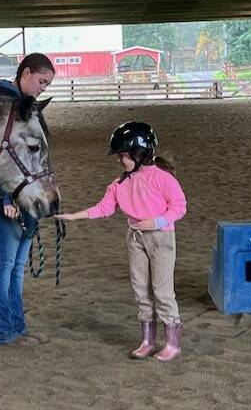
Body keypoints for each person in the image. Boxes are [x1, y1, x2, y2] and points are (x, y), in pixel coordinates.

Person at [55, 122, 187, 361]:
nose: (120, 161)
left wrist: (157, 222)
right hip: (135, 237)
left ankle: (172, 342)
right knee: (140, 289)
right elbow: (104, 207)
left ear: (139, 154)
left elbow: (179, 206)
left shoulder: (162, 178)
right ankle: (147, 340)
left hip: (160, 237)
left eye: (123, 156)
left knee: (162, 290)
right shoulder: (120, 184)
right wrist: (75, 215)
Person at [0, 53, 55, 348]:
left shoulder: (23, 105)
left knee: (16, 266)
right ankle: (0, 332)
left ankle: (16, 326)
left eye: (47, 84)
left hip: (24, 194)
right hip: (0, 197)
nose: (43, 88)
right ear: (26, 73)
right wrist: (6, 196)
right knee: (3, 265)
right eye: (41, 81)